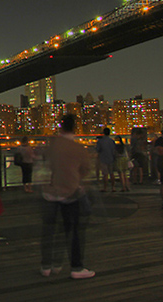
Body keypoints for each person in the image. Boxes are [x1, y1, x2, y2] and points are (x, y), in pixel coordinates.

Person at [41, 114, 95, 279]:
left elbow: (45, 165)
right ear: (74, 128)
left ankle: (47, 266)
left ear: (60, 127)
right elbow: (85, 170)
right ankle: (76, 268)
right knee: (72, 231)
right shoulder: (78, 149)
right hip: (70, 193)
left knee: (49, 230)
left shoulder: (51, 146)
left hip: (49, 192)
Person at [96, 128, 117, 192]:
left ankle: (105, 188)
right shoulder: (111, 141)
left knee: (105, 174)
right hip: (111, 158)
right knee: (111, 173)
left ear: (104, 133)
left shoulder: (100, 141)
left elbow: (98, 150)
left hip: (103, 159)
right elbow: (114, 150)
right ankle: (113, 187)